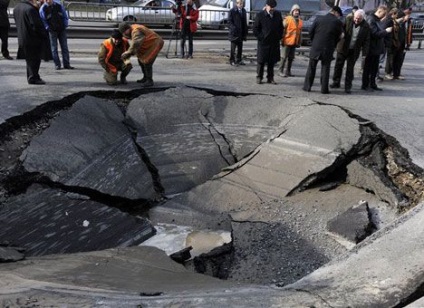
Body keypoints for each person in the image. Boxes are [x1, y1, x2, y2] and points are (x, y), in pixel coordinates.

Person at [303, 6, 343, 94]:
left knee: (311, 67)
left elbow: (311, 32)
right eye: (338, 15)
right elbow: (338, 37)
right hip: (328, 48)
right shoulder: (337, 22)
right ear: (336, 12)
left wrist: (314, 41)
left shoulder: (318, 18)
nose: (338, 17)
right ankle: (324, 89)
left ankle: (307, 87)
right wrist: (333, 44)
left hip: (316, 46)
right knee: (325, 68)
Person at [330, 9, 370, 94]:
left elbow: (366, 41)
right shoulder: (348, 19)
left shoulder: (366, 26)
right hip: (343, 47)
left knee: (350, 69)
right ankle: (336, 82)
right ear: (353, 16)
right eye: (355, 18)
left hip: (354, 50)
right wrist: (342, 33)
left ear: (362, 18)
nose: (356, 20)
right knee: (338, 66)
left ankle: (348, 86)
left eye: (359, 19)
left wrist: (364, 54)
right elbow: (341, 28)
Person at [118, 22, 164, 87]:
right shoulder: (132, 28)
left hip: (155, 44)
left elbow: (136, 44)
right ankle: (145, 77)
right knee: (141, 61)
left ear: (127, 29)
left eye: (124, 32)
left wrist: (128, 53)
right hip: (148, 45)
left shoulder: (136, 31)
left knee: (147, 62)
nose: (124, 34)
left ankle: (149, 80)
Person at [13, 0, 47, 85]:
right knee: (35, 59)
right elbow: (36, 25)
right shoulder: (30, 9)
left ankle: (31, 76)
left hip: (22, 37)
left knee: (29, 59)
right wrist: (44, 35)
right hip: (32, 38)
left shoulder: (17, 7)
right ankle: (33, 77)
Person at [361, 5, 392, 91]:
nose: (384, 16)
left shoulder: (376, 19)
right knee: (368, 67)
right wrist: (386, 31)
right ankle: (365, 85)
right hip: (371, 48)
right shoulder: (371, 19)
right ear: (380, 11)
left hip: (376, 48)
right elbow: (374, 34)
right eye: (384, 14)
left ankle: (372, 84)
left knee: (374, 67)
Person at [253, 0, 283, 84]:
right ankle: (259, 77)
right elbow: (255, 29)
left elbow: (281, 27)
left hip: (274, 42)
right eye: (270, 7)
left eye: (273, 7)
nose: (272, 9)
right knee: (261, 61)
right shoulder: (260, 15)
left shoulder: (277, 14)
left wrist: (279, 36)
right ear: (266, 6)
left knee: (271, 61)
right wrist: (261, 37)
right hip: (263, 42)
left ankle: (270, 78)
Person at [39, 0, 74, 70]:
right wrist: (48, 28)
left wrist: (65, 24)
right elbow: (43, 20)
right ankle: (57, 64)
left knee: (64, 47)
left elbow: (64, 15)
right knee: (54, 48)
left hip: (61, 29)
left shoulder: (59, 6)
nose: (48, 1)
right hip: (52, 31)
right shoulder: (43, 8)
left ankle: (66, 64)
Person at [278, 3, 303, 77]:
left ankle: (288, 72)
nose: (297, 12)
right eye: (295, 10)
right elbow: (282, 30)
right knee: (283, 57)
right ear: (292, 11)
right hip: (286, 42)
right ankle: (280, 71)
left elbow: (300, 33)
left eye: (298, 11)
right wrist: (281, 40)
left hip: (294, 42)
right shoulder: (287, 19)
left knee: (291, 58)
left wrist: (299, 42)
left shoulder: (300, 21)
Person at [228, 0, 248, 66]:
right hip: (234, 33)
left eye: (242, 3)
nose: (241, 4)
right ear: (236, 3)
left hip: (241, 33)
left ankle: (239, 59)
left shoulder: (243, 11)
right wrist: (233, 28)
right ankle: (232, 60)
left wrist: (245, 32)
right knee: (233, 49)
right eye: (239, 3)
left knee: (240, 48)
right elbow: (230, 21)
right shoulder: (232, 11)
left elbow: (244, 22)